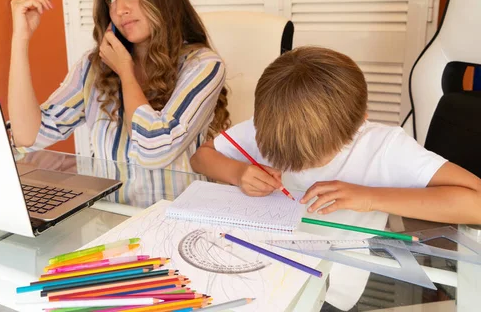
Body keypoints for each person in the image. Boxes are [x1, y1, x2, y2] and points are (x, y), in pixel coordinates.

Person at [190, 46, 481, 224]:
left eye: (311, 159)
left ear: (358, 126)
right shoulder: (267, 126)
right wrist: (239, 172)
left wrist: (370, 197)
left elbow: (476, 202)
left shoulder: (386, 148)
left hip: (346, 280)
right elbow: (201, 158)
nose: (299, 169)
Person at [8, 0, 229, 175]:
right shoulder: (93, 67)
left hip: (176, 209)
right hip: (110, 210)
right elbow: (27, 136)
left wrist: (125, 72)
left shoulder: (204, 66)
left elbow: (153, 152)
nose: (120, 9)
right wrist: (20, 38)